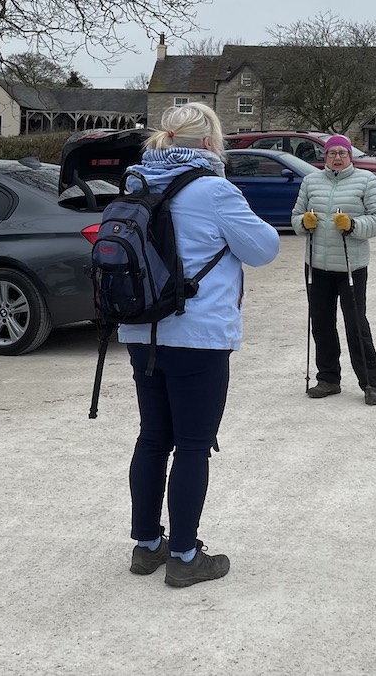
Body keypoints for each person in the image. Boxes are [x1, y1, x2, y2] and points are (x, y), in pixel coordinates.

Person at [120, 103, 280, 588]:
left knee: (153, 437)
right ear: (210, 141)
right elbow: (264, 248)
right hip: (199, 335)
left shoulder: (137, 182)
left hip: (141, 329)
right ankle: (186, 556)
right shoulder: (214, 189)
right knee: (192, 446)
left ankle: (148, 546)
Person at [291, 134, 376, 405]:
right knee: (321, 324)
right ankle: (328, 379)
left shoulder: (365, 180)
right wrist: (304, 222)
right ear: (325, 157)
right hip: (317, 265)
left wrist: (354, 225)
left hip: (350, 267)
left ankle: (370, 383)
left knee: (356, 325)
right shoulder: (311, 181)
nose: (336, 157)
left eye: (342, 153)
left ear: (350, 156)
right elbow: (296, 216)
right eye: (331, 153)